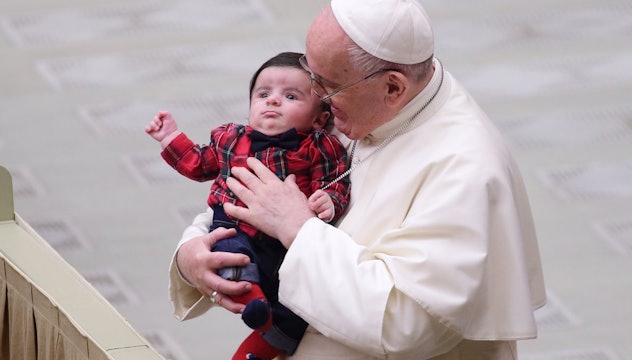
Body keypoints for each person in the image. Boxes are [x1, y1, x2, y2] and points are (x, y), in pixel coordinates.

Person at [168, 0, 546, 359]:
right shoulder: (362, 100)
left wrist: (298, 231)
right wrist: (192, 253)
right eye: (311, 74)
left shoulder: (465, 168)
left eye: (327, 85)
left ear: (393, 88)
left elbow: (407, 323)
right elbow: (259, 181)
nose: (315, 96)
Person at [147, 52, 351, 360]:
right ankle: (254, 303)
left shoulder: (319, 147)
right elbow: (199, 164)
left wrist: (330, 202)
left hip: (284, 243)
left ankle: (253, 352)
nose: (273, 101)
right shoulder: (231, 138)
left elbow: (335, 182)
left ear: (319, 119)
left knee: (295, 311)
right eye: (263, 94)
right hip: (234, 223)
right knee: (230, 251)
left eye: (291, 96)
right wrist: (170, 137)